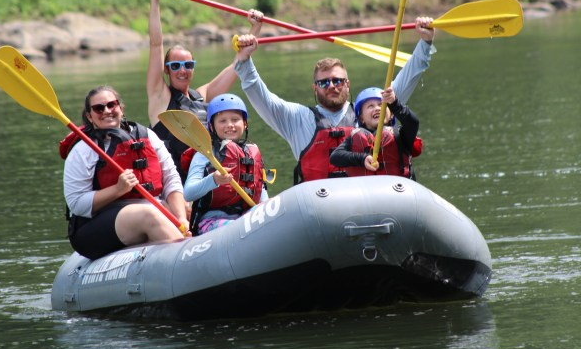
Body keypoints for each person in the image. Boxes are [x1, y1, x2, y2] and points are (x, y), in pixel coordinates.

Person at [233, 16, 435, 184]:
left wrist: (425, 43)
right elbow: (261, 96)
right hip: (319, 207)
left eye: (338, 81)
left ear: (348, 84)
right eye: (324, 82)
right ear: (314, 88)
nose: (331, 86)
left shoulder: (371, 111)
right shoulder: (297, 118)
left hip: (368, 201)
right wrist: (244, 60)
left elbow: (406, 80)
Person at [146, 0, 264, 182]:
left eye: (188, 65)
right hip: (180, 184)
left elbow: (236, 66)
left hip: (211, 178)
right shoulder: (160, 98)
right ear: (166, 70)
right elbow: (156, 45)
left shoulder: (201, 96)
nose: (182, 71)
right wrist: (155, 1)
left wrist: (255, 29)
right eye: (175, 66)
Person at [60, 85, 190, 260]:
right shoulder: (83, 151)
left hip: (151, 208)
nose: (106, 111)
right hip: (94, 227)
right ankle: (183, 259)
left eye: (111, 105)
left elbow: (171, 179)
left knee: (188, 206)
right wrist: (118, 189)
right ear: (90, 116)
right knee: (148, 214)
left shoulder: (147, 136)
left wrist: (181, 217)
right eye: (99, 108)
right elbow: (77, 204)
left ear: (120, 108)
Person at [183, 93, 268, 235]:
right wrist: (214, 180)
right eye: (222, 121)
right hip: (211, 221)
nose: (229, 125)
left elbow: (261, 194)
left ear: (245, 123)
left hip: (246, 217)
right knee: (240, 227)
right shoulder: (204, 154)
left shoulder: (251, 152)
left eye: (235, 119)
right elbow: (188, 193)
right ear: (211, 126)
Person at [329, 86, 421, 179]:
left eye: (381, 105)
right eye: (370, 106)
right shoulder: (355, 137)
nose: (377, 108)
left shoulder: (401, 135)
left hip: (396, 189)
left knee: (387, 133)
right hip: (365, 189)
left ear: (392, 115)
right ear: (361, 118)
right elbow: (335, 157)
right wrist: (363, 158)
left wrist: (395, 104)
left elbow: (413, 122)